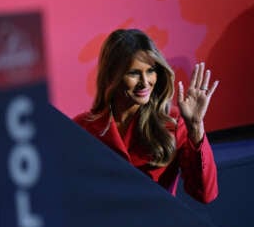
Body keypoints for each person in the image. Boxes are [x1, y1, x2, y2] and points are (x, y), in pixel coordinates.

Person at [74, 28, 219, 203]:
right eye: (134, 73)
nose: (145, 82)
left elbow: (204, 194)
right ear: (112, 76)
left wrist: (196, 127)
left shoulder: (172, 123)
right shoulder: (83, 128)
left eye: (150, 71)